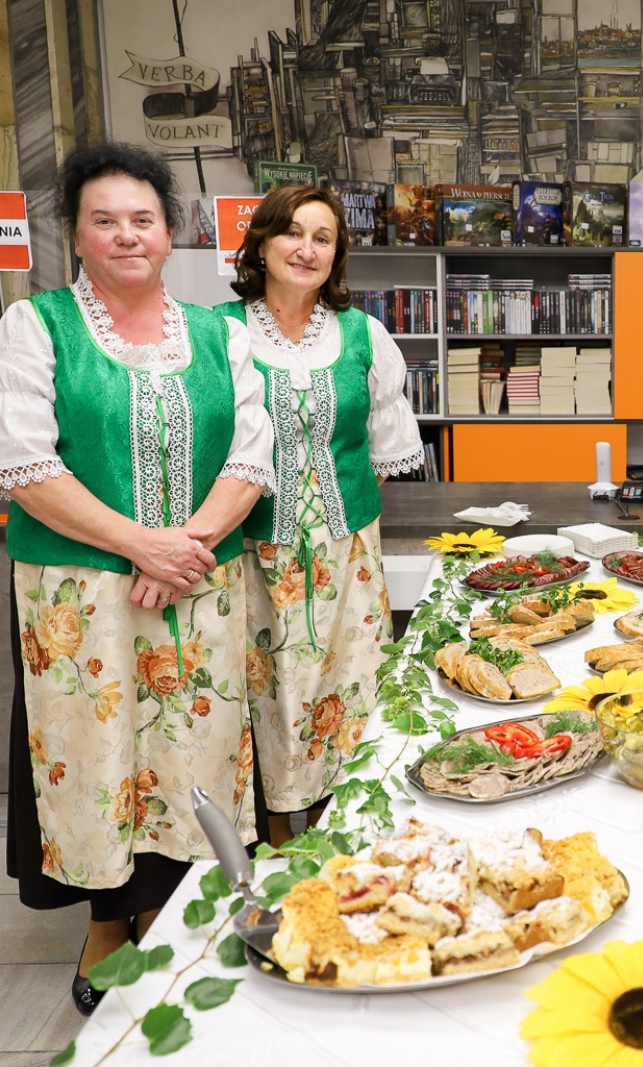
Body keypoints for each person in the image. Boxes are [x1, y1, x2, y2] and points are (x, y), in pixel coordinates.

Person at [0, 143, 273, 1014]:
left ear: (170, 232)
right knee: (100, 755)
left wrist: (189, 544)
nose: (126, 234)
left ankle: (180, 908)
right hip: (83, 596)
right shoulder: (39, 327)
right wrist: (142, 544)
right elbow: (23, 463)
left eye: (142, 218)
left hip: (198, 581)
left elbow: (253, 454)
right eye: (104, 220)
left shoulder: (222, 332)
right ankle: (108, 919)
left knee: (193, 744)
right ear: (75, 234)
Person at [217, 184, 423, 847]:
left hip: (347, 558)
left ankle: (345, 843)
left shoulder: (364, 334)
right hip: (254, 555)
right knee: (267, 697)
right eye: (293, 233)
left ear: (337, 255)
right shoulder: (220, 332)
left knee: (351, 692)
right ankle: (276, 846)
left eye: (323, 238)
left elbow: (388, 452)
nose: (307, 249)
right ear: (263, 243)